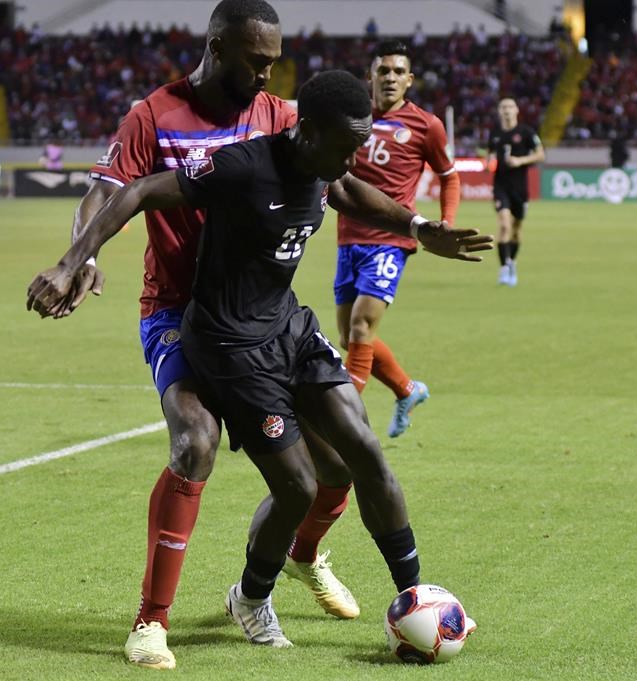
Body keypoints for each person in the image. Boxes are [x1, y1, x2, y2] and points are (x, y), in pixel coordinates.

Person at [27, 69, 490, 650]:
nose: (354, 159)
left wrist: (419, 225)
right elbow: (139, 189)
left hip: (288, 327)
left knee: (361, 454)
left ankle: (420, 596)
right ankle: (246, 600)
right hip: (231, 346)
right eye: (346, 146)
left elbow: (343, 188)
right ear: (311, 131)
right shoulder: (241, 165)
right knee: (294, 486)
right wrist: (75, 261)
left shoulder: (322, 165)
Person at [33, 0, 352, 669]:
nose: (267, 75)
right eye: (256, 60)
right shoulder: (153, 114)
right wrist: (79, 260)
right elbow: (110, 191)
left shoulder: (279, 116)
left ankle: (299, 558)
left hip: (263, 317)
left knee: (335, 463)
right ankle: (151, 622)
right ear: (218, 46)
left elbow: (331, 177)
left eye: (274, 61)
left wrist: (411, 227)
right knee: (195, 439)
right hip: (177, 312)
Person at [331, 40, 461, 439]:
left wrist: (445, 223)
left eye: (397, 72)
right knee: (350, 337)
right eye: (383, 71)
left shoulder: (427, 125)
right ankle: (408, 390)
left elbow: (449, 175)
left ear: (410, 80)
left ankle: (344, 423)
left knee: (360, 326)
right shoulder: (351, 117)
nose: (390, 78)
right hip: (348, 238)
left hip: (392, 240)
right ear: (369, 76)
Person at [488, 97, 544, 287]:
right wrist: (489, 163)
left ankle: (512, 262)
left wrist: (520, 161)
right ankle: (504, 268)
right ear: (499, 111)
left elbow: (540, 154)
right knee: (504, 226)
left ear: (517, 110)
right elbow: (490, 155)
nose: (507, 110)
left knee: (516, 230)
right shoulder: (494, 134)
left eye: (510, 107)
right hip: (500, 186)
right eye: (503, 107)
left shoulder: (526, 132)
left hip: (520, 188)